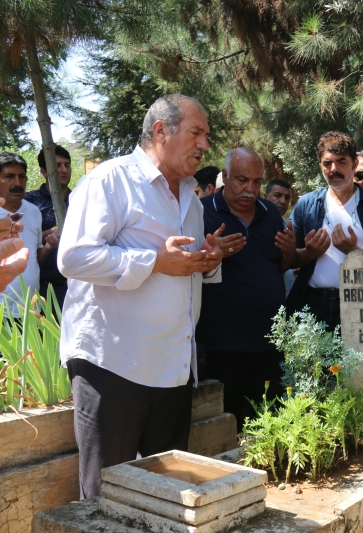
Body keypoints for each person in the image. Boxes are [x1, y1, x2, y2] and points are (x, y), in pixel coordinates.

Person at [58, 94, 223, 499]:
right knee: (105, 498)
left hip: (173, 368)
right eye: (196, 133)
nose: (204, 145)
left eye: (206, 136)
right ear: (161, 131)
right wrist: (153, 261)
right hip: (114, 365)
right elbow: (73, 257)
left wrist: (209, 261)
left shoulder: (191, 197)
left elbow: (183, 268)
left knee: (165, 497)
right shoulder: (109, 180)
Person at [197, 147, 293, 431]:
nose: (250, 189)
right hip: (224, 342)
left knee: (269, 417)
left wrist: (292, 251)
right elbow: (187, 269)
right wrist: (213, 255)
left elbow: (281, 266)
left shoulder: (270, 213)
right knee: (230, 421)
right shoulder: (202, 212)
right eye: (241, 180)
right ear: (225, 176)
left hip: (269, 340)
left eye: (256, 181)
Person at [286, 131, 363, 330]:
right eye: (327, 163)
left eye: (341, 161)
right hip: (312, 307)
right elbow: (290, 260)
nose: (334, 169)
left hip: (360, 307)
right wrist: (309, 253)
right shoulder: (306, 204)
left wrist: (354, 253)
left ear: (354, 165)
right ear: (320, 166)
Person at [24, 144, 72, 308]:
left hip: (75, 284)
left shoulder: (79, 199)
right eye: (57, 165)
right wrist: (51, 232)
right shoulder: (29, 202)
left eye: (66, 164)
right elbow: (25, 239)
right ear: (44, 171)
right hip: (41, 285)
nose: (63, 170)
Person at [0, 152, 42, 316]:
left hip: (31, 308)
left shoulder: (33, 211)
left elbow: (35, 254)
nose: (17, 183)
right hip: (2, 311)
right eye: (9, 176)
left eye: (22, 176)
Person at [265, 178, 296, 298]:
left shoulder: (288, 226)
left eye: (287, 198)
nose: (283, 201)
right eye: (277, 195)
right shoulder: (254, 225)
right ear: (266, 196)